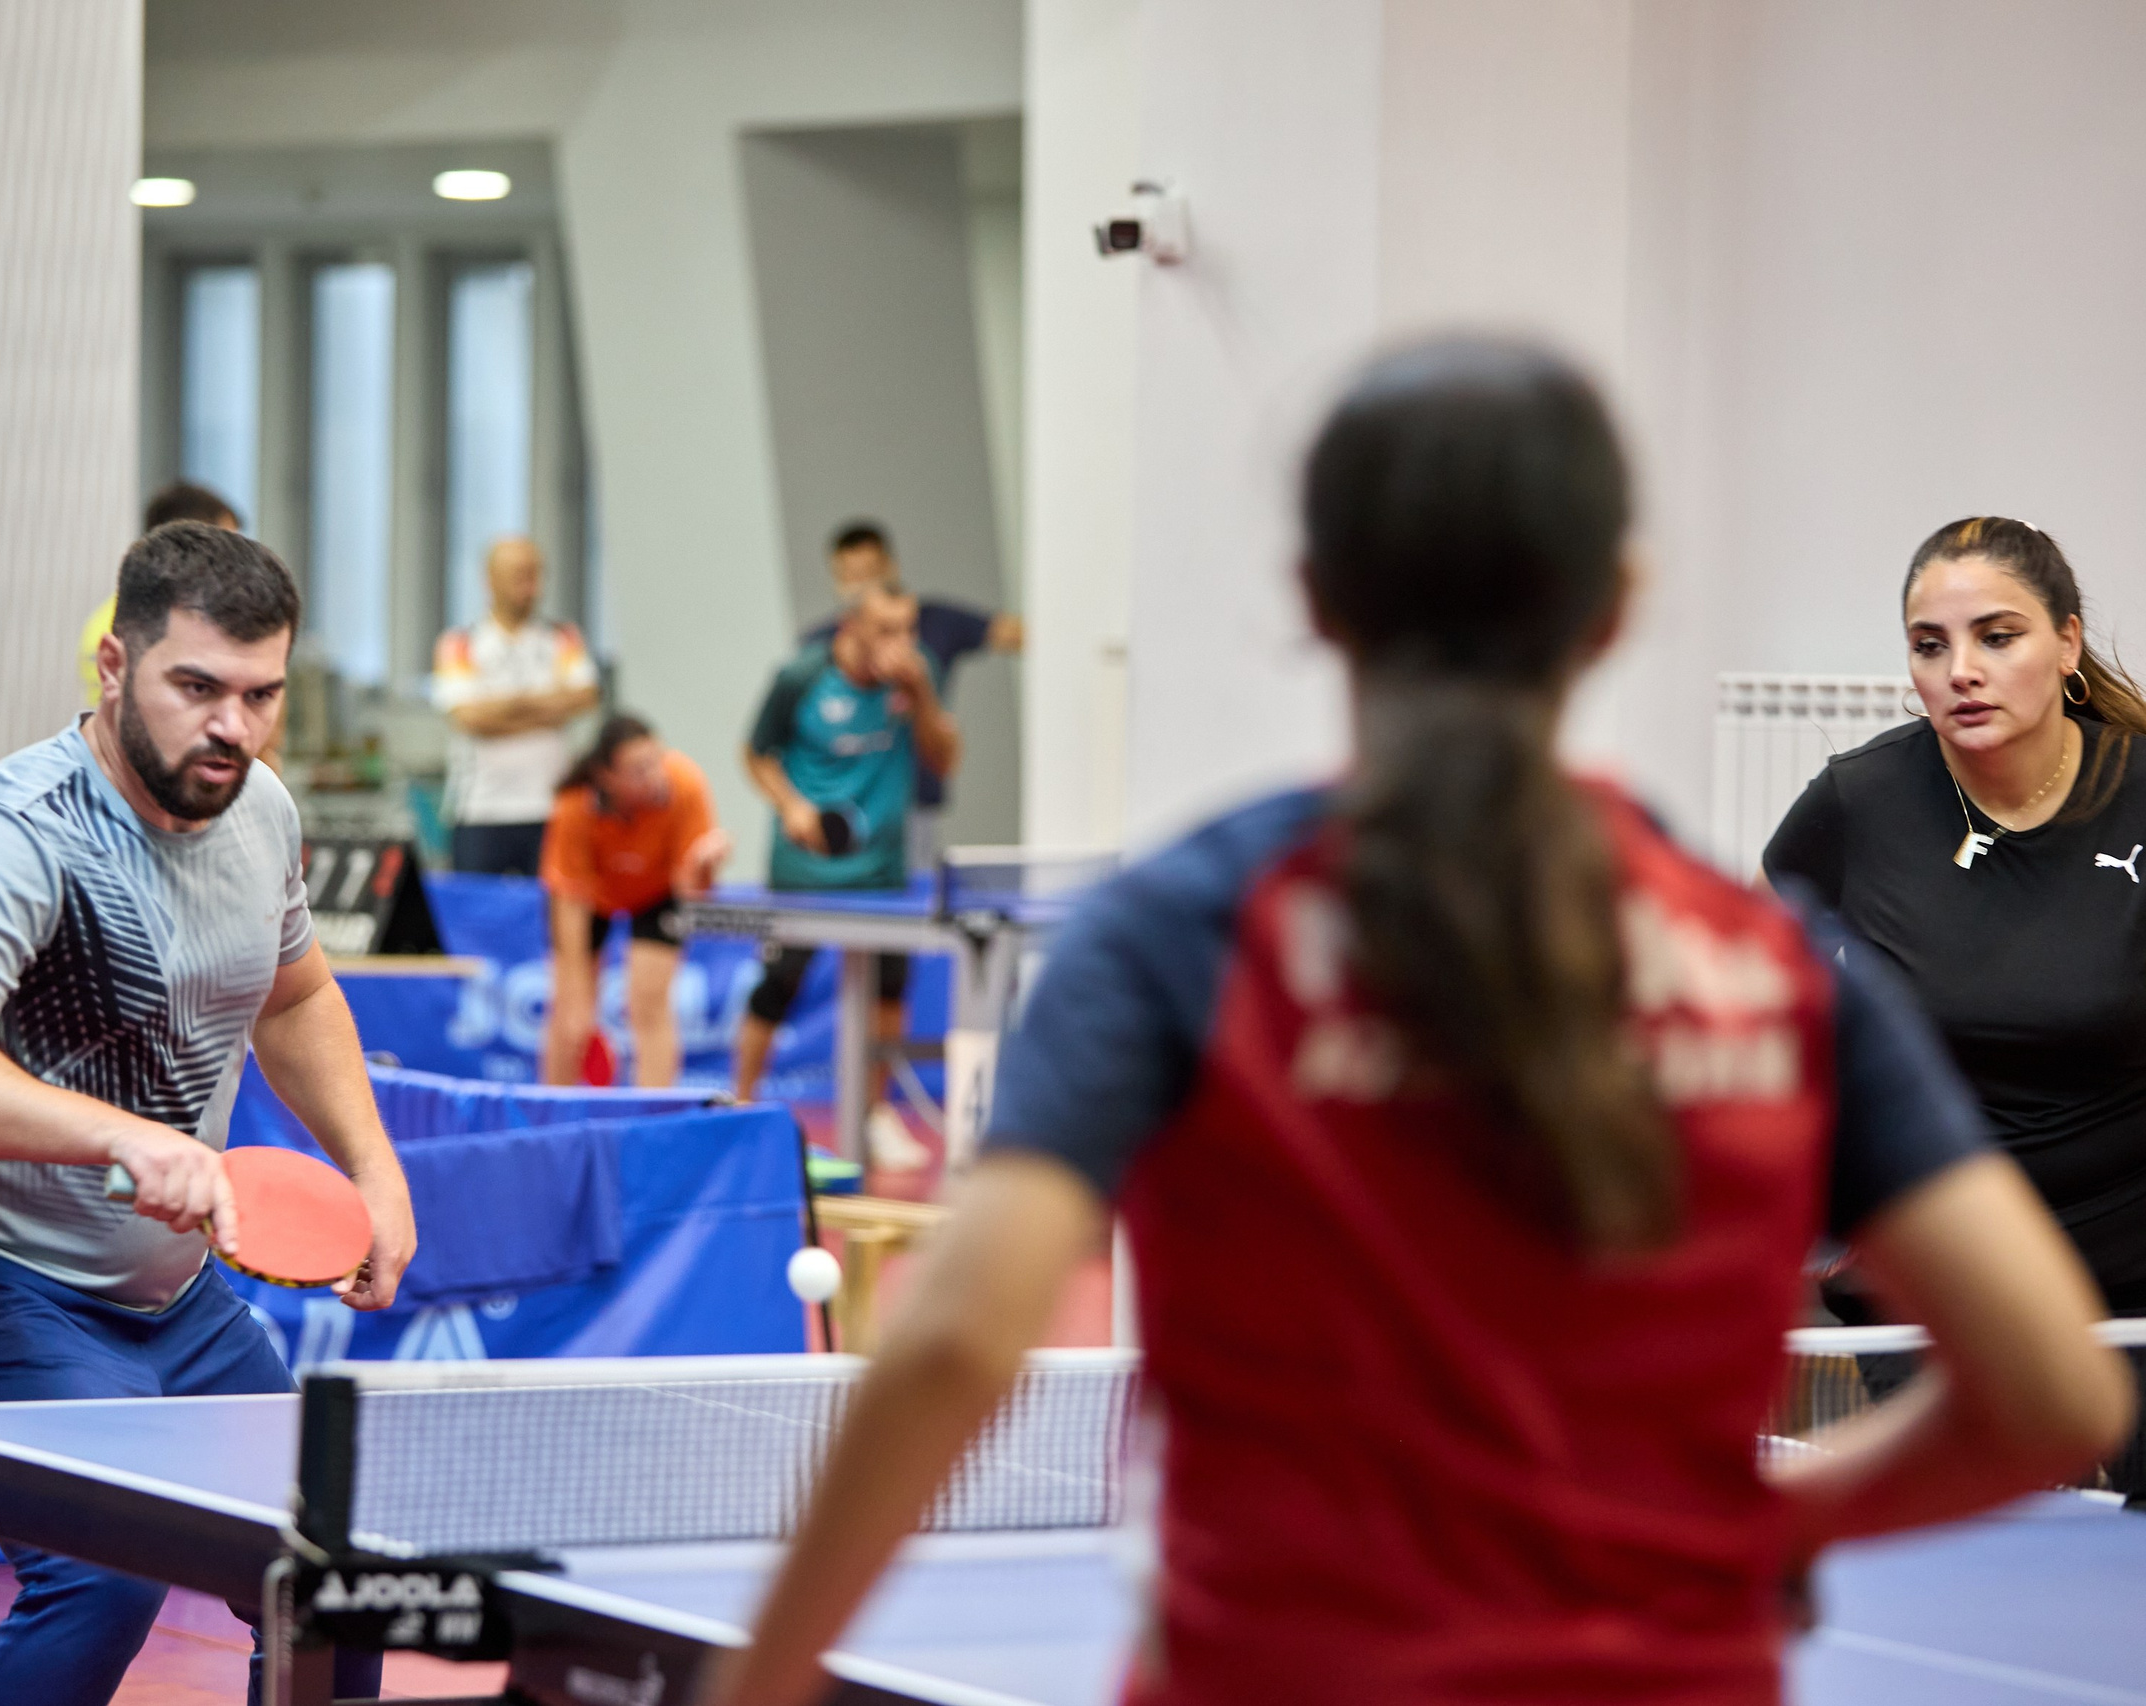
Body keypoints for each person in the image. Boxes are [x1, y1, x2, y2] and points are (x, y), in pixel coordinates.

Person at [704, 339, 2131, 1706]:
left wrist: (759, 1674)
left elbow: (960, 1340)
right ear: (1614, 606)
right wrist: (1762, 1523)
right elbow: (2056, 1389)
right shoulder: (1765, 964)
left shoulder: (1191, 926)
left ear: (1318, 596)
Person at [0, 522, 415, 1706]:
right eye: (197, 687)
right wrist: (123, 1133)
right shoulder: (20, 833)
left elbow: (298, 993)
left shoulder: (257, 809)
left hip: (166, 1296)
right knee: (102, 1569)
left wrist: (375, 1169)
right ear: (114, 665)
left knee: (337, 1565)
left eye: (262, 695)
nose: (234, 728)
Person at [1765, 516, 2146, 1484]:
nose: (1960, 670)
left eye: (1996, 635)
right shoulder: (1859, 802)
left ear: (2066, 641)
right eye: (1929, 646)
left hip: (2130, 1261)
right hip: (1946, 1268)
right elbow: (1778, 983)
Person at [738, 583, 959, 1171]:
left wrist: (923, 695)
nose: (902, 643)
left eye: (909, 629)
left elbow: (946, 758)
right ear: (850, 628)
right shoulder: (802, 676)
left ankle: (874, 1114)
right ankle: (739, 1107)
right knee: (777, 987)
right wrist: (790, 805)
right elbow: (756, 753)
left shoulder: (915, 678)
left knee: (890, 993)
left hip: (881, 870)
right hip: (805, 869)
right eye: (887, 629)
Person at [802, 519, 1022, 869]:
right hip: (843, 806)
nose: (860, 587)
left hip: (913, 804)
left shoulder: (930, 645)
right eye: (850, 576)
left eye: (871, 573)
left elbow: (1018, 634)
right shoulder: (813, 653)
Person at [537, 714, 733, 1088]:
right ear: (607, 776)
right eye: (637, 769)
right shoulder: (574, 804)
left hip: (657, 894)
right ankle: (552, 1110)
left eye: (656, 760)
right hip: (588, 899)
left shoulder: (686, 785)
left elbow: (691, 893)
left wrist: (702, 866)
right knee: (569, 1013)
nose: (654, 774)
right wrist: (577, 996)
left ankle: (654, 1114)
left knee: (648, 1004)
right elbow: (569, 897)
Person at [433, 535, 600, 876]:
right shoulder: (460, 643)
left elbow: (584, 697)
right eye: (520, 575)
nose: (531, 586)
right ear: (491, 579)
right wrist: (544, 709)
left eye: (536, 575)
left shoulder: (563, 637)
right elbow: (469, 717)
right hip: (480, 809)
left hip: (549, 807)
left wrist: (501, 708)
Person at [79, 481, 242, 706]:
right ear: (190, 545)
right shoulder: (169, 622)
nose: (235, 561)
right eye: (227, 545)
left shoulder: (105, 617)